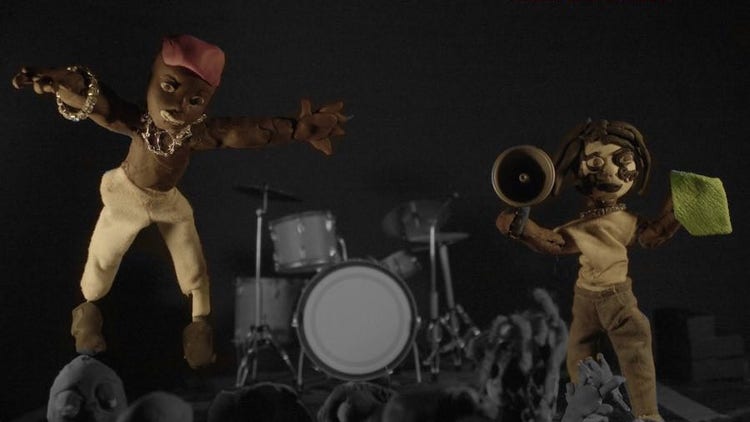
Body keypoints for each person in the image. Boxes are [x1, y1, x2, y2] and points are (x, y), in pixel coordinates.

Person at [12, 34, 347, 369]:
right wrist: (67, 83)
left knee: (193, 264)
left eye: (195, 100)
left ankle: (199, 329)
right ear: (151, 80)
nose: (178, 105)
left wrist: (298, 129)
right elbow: (103, 105)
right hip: (127, 196)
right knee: (102, 259)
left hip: (167, 201)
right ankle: (87, 316)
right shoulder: (138, 122)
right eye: (169, 86)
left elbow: (240, 132)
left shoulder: (195, 133)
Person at [496, 120, 681, 422]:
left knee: (634, 344)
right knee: (581, 356)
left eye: (621, 160)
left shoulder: (625, 222)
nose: (608, 171)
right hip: (585, 298)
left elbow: (652, 236)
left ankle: (646, 414)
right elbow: (553, 242)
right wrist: (522, 226)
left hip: (616, 297)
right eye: (595, 162)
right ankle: (586, 411)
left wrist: (677, 210)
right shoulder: (581, 226)